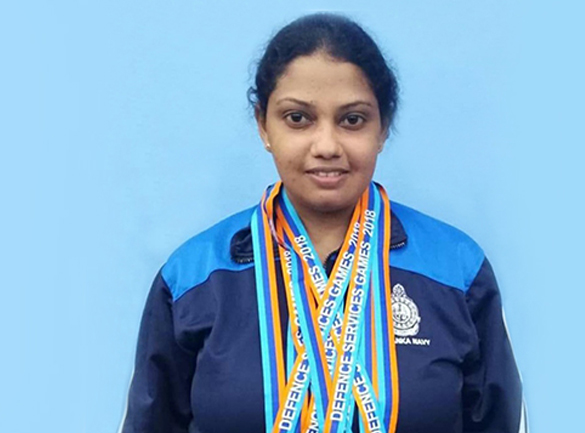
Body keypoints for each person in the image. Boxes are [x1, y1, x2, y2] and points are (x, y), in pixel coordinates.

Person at [119, 13, 527, 433]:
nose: (327, 146)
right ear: (263, 126)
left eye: (352, 120)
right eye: (298, 118)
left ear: (383, 128)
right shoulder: (194, 277)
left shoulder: (456, 270)